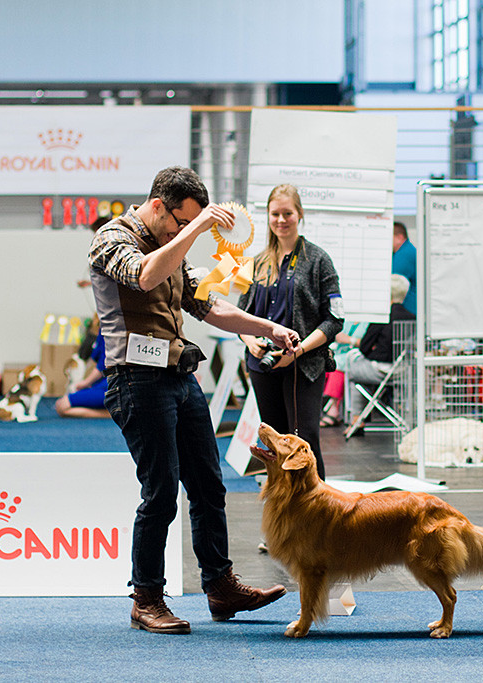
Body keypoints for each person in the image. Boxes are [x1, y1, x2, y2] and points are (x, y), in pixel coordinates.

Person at [89, 166, 300, 635]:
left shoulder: (173, 244)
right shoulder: (110, 239)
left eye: (190, 226)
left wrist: (267, 328)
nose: (183, 233)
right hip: (136, 382)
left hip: (180, 377)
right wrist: (200, 228)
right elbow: (144, 277)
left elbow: (206, 305)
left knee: (209, 486)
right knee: (161, 493)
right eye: (180, 223)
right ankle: (146, 598)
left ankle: (220, 587)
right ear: (159, 205)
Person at [237, 184, 343, 479]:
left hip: (304, 365)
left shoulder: (318, 260)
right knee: (275, 445)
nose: (281, 220)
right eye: (275, 214)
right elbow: (240, 316)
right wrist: (251, 342)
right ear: (268, 217)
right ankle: (284, 514)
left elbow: (335, 319)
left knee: (304, 441)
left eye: (288, 213)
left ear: (299, 215)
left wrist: (298, 350)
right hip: (263, 366)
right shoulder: (256, 262)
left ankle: (320, 514)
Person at [345, 274, 415, 419]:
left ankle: (357, 419)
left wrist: (374, 347)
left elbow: (364, 346)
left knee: (353, 367)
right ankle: (401, 416)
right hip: (404, 370)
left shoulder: (382, 316)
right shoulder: (412, 317)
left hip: (380, 368)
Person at [55, 331, 109, 418]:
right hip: (106, 384)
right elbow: (95, 358)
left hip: (112, 386)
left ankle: (111, 414)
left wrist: (84, 383)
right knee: (62, 403)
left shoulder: (111, 325)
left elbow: (102, 366)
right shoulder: (104, 328)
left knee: (62, 406)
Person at [391, 221, 417, 315]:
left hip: (409, 308)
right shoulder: (408, 250)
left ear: (400, 237)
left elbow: (391, 279)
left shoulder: (405, 253)